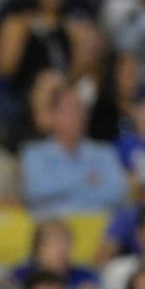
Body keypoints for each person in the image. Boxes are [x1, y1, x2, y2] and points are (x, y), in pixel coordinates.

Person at [21, 86, 127, 218]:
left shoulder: (105, 153)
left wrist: (60, 192)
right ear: (53, 116)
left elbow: (117, 193)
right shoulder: (34, 154)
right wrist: (88, 181)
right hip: (54, 229)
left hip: (99, 229)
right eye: (69, 110)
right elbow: (36, 193)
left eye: (80, 109)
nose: (76, 115)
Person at [10, 219, 99, 289]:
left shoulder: (84, 277)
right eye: (55, 243)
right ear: (38, 248)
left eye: (66, 242)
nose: (62, 249)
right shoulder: (21, 276)